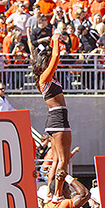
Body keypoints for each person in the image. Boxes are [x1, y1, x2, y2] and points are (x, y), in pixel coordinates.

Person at [31, 34, 71, 198]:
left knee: (56, 160)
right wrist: (55, 39)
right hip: (58, 118)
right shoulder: (45, 78)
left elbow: (55, 57)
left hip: (55, 118)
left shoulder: (46, 78)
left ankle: (50, 191)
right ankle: (58, 192)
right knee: (63, 160)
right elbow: (55, 56)